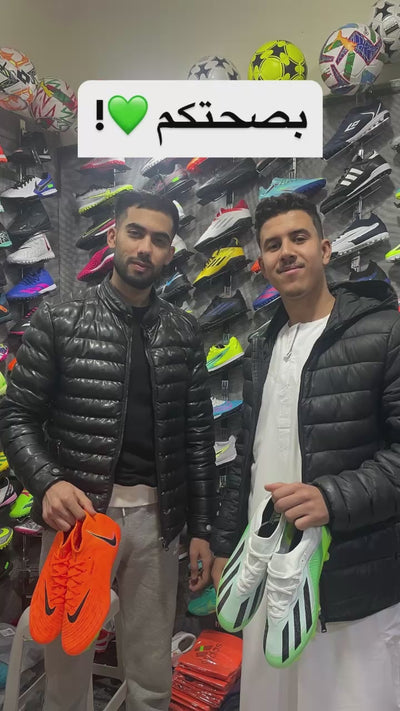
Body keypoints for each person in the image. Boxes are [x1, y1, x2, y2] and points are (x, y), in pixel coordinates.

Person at [0, 190, 216, 711]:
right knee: (65, 670)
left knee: (151, 671)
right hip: (77, 519)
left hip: (158, 520)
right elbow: (15, 414)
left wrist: (204, 529)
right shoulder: (60, 318)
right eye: (135, 233)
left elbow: (198, 437)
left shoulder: (184, 332)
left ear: (169, 252)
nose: (145, 248)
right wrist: (46, 482)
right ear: (113, 235)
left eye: (159, 240)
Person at [211, 193, 400, 711]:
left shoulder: (384, 332)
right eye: (273, 245)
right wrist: (226, 543)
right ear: (262, 262)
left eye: (298, 238)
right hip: (266, 574)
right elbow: (247, 457)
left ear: (325, 248)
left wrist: (331, 498)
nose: (286, 252)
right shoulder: (260, 346)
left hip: (347, 581)